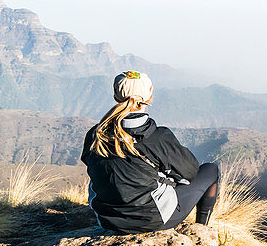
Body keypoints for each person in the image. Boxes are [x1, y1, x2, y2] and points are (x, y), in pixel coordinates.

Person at [81, 70, 219, 233]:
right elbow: (190, 173)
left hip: (106, 219)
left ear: (116, 96)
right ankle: (202, 230)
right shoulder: (158, 137)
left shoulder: (95, 135)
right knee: (211, 170)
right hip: (152, 219)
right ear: (149, 96)